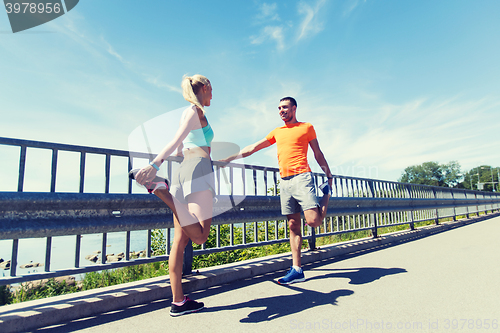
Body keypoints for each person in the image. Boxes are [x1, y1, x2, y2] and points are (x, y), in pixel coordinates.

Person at [219, 97, 333, 285]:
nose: (281, 110)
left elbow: (317, 153)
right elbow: (253, 148)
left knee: (313, 221)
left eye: (285, 107)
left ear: (294, 108)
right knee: (293, 226)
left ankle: (326, 193)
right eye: (279, 108)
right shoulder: (277, 132)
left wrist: (328, 174)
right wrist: (229, 158)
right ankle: (297, 269)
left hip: (302, 177)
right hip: (285, 181)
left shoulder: (307, 127)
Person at [131, 74, 215, 316]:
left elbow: (180, 147)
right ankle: (162, 191)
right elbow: (175, 140)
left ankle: (178, 301)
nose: (212, 96)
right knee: (200, 236)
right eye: (212, 90)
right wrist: (154, 165)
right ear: (206, 87)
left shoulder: (188, 114)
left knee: (181, 241)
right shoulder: (194, 111)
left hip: (182, 172)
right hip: (198, 169)